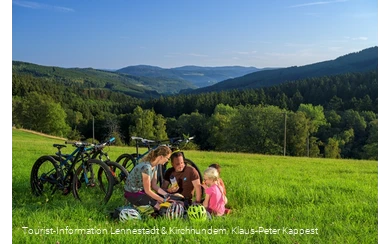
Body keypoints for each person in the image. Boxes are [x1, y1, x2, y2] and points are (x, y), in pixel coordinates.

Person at [124, 145, 172, 211]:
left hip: (141, 192)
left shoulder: (155, 166)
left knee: (158, 204)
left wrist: (167, 195)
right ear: (161, 157)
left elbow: (154, 186)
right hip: (132, 193)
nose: (167, 161)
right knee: (157, 207)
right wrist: (162, 200)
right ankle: (135, 206)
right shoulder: (146, 168)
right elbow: (148, 190)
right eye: (167, 158)